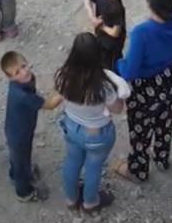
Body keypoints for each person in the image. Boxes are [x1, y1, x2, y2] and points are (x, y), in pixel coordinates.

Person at [115, 0, 172, 182]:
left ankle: (138, 170)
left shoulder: (141, 32)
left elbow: (130, 72)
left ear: (149, 3)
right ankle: (162, 158)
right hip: (171, 79)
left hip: (145, 88)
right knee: (165, 123)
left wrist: (118, 64)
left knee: (141, 130)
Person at [56, 33, 130, 213]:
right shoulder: (102, 86)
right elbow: (117, 109)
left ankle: (71, 199)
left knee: (72, 161)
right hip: (96, 133)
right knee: (93, 167)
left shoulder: (63, 76)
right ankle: (90, 203)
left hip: (71, 126)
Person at [1, 51, 63, 202]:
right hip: (20, 135)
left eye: (24, 66)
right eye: (17, 72)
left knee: (19, 158)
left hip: (18, 129)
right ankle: (24, 192)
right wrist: (65, 90)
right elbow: (49, 105)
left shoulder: (24, 82)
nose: (24, 72)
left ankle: (16, 174)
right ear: (10, 77)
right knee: (21, 161)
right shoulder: (21, 95)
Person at [85, 0, 129, 70]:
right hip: (113, 45)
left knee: (102, 58)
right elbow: (115, 33)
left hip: (100, 37)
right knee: (113, 65)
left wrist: (92, 17)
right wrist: (102, 26)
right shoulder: (117, 8)